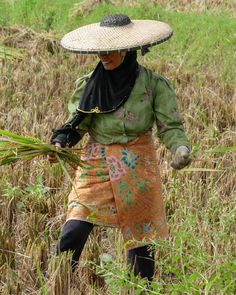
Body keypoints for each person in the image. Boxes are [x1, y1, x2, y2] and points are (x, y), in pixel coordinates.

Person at [49, 14, 191, 283]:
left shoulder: (153, 85)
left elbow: (170, 126)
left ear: (127, 49)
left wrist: (179, 148)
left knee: (141, 238)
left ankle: (140, 287)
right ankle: (58, 282)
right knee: (75, 225)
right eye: (100, 50)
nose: (103, 55)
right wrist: (62, 142)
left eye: (110, 50)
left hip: (137, 159)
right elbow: (77, 123)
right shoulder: (89, 85)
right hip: (97, 159)